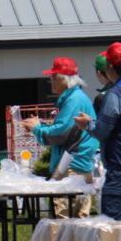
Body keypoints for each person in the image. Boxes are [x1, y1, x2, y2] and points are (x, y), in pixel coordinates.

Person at [73, 42, 121, 221]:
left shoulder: (115, 95)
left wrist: (87, 124)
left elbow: (101, 131)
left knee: (113, 226)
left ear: (109, 67)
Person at [22, 57, 99, 218]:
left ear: (63, 79)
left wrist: (37, 129)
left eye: (53, 77)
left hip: (71, 166)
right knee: (79, 221)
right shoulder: (76, 98)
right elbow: (66, 128)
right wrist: (41, 125)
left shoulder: (74, 100)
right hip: (79, 164)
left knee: (63, 219)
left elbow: (61, 133)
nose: (51, 81)